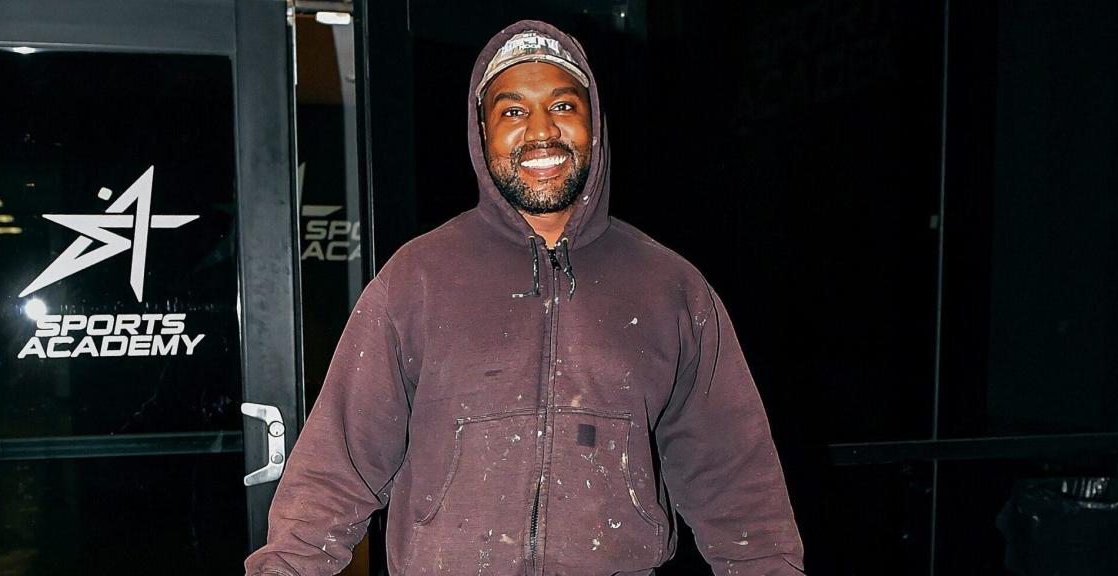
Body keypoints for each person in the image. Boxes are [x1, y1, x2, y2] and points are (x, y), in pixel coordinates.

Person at [245, 19, 804, 576]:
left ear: (594, 125)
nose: (541, 131)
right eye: (513, 111)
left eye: (563, 106)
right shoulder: (416, 279)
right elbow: (335, 469)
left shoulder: (672, 288)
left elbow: (736, 484)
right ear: (482, 132)